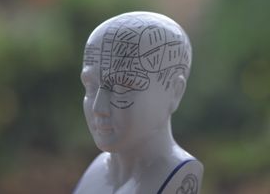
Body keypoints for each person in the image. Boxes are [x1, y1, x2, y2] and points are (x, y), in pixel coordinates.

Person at [75, 12, 203, 194]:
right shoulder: (96, 171)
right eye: (90, 87)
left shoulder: (177, 175)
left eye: (121, 88)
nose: (98, 108)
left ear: (175, 91)